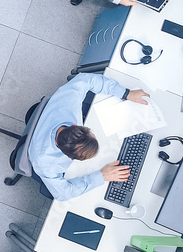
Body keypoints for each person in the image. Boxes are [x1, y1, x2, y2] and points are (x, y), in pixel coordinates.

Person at [28, 73, 150, 201]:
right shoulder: (44, 164)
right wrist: (101, 176)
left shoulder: (68, 102)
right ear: (67, 156)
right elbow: (63, 194)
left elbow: (86, 79)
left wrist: (126, 93)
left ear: (75, 125)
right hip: (40, 150)